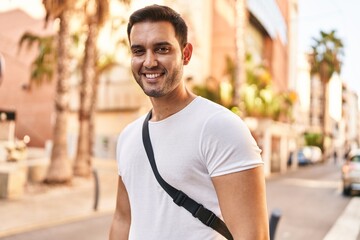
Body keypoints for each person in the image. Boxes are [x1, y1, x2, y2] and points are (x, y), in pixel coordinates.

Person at [109, 4, 269, 240]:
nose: (149, 62)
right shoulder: (128, 136)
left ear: (186, 54)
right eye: (139, 51)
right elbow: (123, 219)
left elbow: (253, 236)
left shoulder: (220, 127)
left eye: (162, 49)